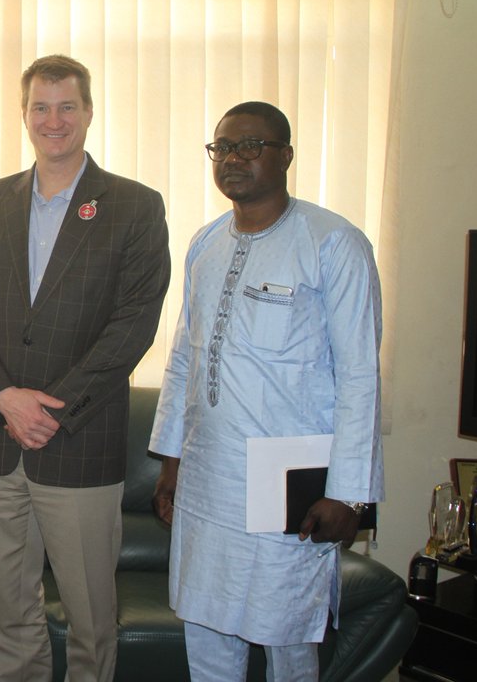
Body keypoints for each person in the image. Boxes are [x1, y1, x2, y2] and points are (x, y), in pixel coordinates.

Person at [0, 54, 171, 681]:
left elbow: (133, 326)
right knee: (5, 609)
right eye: (40, 107)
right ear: (24, 116)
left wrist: (53, 408)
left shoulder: (134, 206)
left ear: (89, 113)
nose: (54, 119)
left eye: (66, 106)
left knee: (90, 616)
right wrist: (1, 396)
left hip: (79, 440)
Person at [149, 101, 383, 681]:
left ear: (286, 156)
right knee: (206, 628)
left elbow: (359, 377)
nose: (233, 158)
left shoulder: (334, 244)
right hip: (208, 476)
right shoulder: (205, 244)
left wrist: (350, 495)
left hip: (287, 477)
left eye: (251, 146)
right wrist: (171, 462)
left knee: (286, 633)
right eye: (223, 147)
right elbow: (185, 359)